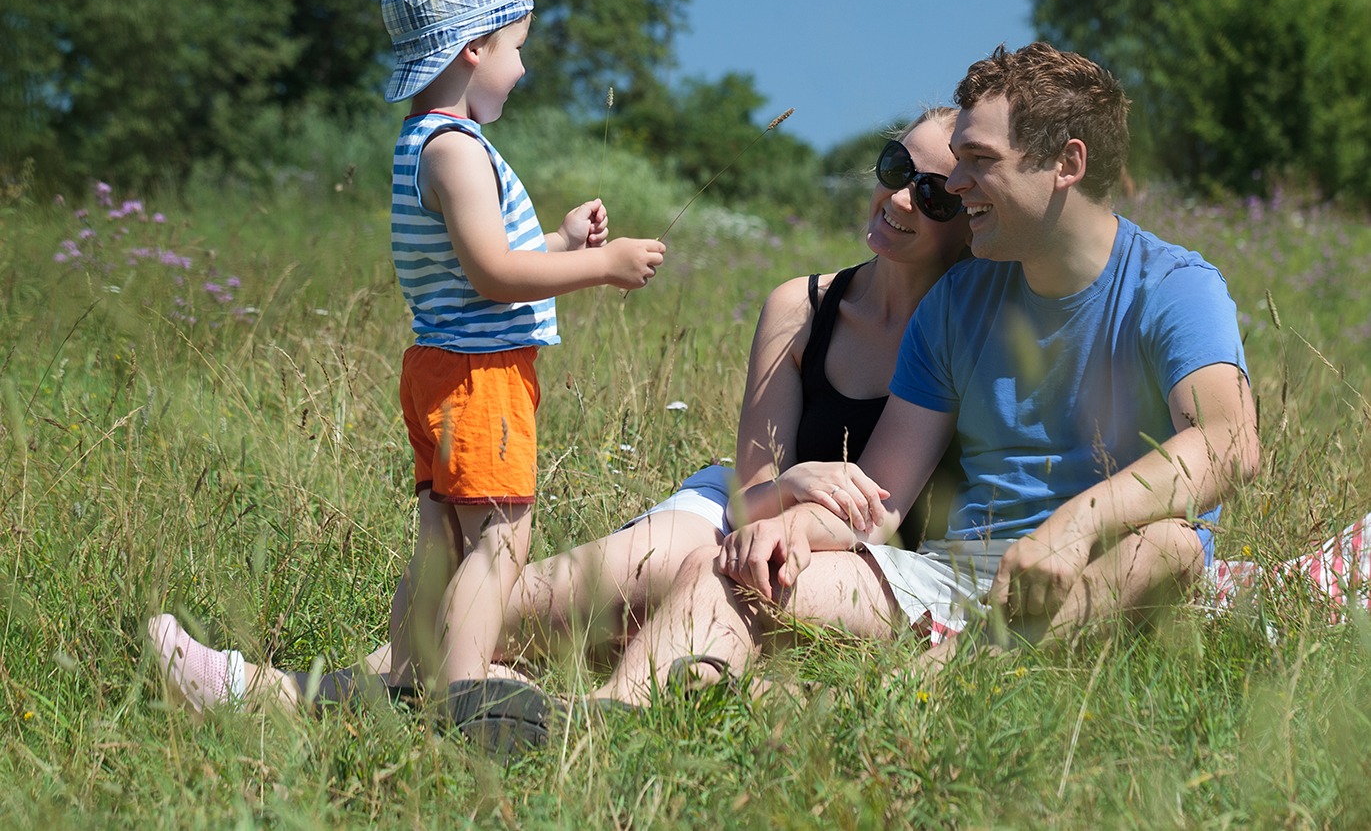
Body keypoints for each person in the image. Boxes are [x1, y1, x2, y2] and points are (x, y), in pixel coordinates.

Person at [147, 107, 971, 721]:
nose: (899, 199)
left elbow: (886, 517)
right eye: (895, 166)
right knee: (565, 587)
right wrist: (789, 482)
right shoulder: (802, 304)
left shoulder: (965, 329)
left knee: (693, 576)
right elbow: (752, 491)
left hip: (855, 561)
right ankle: (286, 691)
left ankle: (487, 710)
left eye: (933, 197)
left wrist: (798, 511)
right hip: (748, 505)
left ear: (964, 222)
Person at [590, 42, 1262, 705]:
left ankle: (935, 683)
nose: (955, 183)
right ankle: (608, 719)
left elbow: (1227, 443)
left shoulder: (1172, 287)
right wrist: (793, 532)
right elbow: (879, 501)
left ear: (1066, 163)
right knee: (736, 573)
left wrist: (1072, 528)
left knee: (1169, 545)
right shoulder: (956, 304)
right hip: (953, 580)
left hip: (1105, 573)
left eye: (977, 162)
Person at [375, 0, 670, 702]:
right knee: (502, 539)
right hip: (480, 377)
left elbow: (489, 259)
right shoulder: (458, 152)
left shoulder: (424, 144)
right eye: (515, 50)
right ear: (474, 48)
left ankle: (407, 678)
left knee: (441, 539)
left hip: (440, 366)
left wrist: (564, 243)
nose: (522, 69)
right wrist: (601, 268)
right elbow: (495, 276)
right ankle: (468, 690)